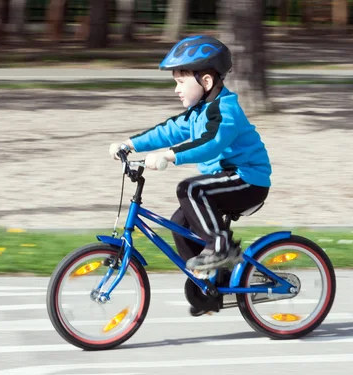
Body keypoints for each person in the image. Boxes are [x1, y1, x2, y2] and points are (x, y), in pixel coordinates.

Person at [109, 35, 271, 273]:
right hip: (224, 180)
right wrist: (129, 144)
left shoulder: (225, 109)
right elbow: (169, 131)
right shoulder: (198, 112)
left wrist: (169, 155)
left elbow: (211, 143)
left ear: (205, 81)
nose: (176, 89)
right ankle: (210, 285)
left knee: (190, 189)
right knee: (178, 224)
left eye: (181, 82)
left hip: (246, 180)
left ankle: (221, 246)